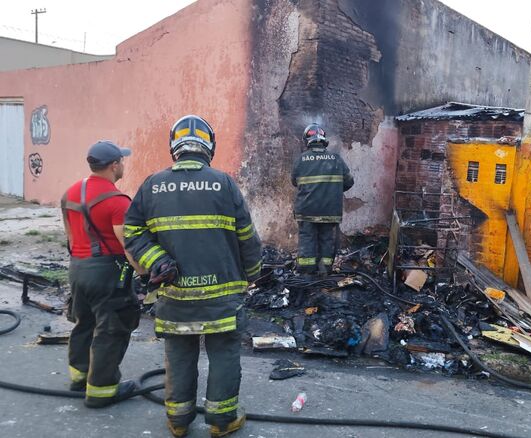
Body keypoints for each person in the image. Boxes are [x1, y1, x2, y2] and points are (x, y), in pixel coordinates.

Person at [124, 115, 263, 438]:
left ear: (174, 146)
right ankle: (222, 421)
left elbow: (132, 232)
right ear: (208, 146)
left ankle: (178, 421)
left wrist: (156, 260)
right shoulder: (224, 183)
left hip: (175, 297)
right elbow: (247, 237)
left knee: (179, 353)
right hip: (222, 296)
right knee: (224, 352)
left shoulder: (152, 185)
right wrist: (253, 274)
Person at [60, 140, 140, 408]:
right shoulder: (118, 202)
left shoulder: (70, 193)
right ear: (114, 165)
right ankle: (102, 390)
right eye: (122, 161)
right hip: (107, 272)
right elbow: (128, 246)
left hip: (78, 268)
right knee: (111, 328)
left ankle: (79, 378)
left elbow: (70, 236)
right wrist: (143, 272)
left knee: (84, 322)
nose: (123, 166)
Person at [291, 123, 354, 276]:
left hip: (306, 210)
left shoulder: (301, 160)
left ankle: (307, 273)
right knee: (327, 240)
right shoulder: (336, 159)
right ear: (323, 140)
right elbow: (349, 182)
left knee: (307, 240)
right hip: (330, 210)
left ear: (307, 140)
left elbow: (294, 182)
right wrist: (333, 190)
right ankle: (325, 271)